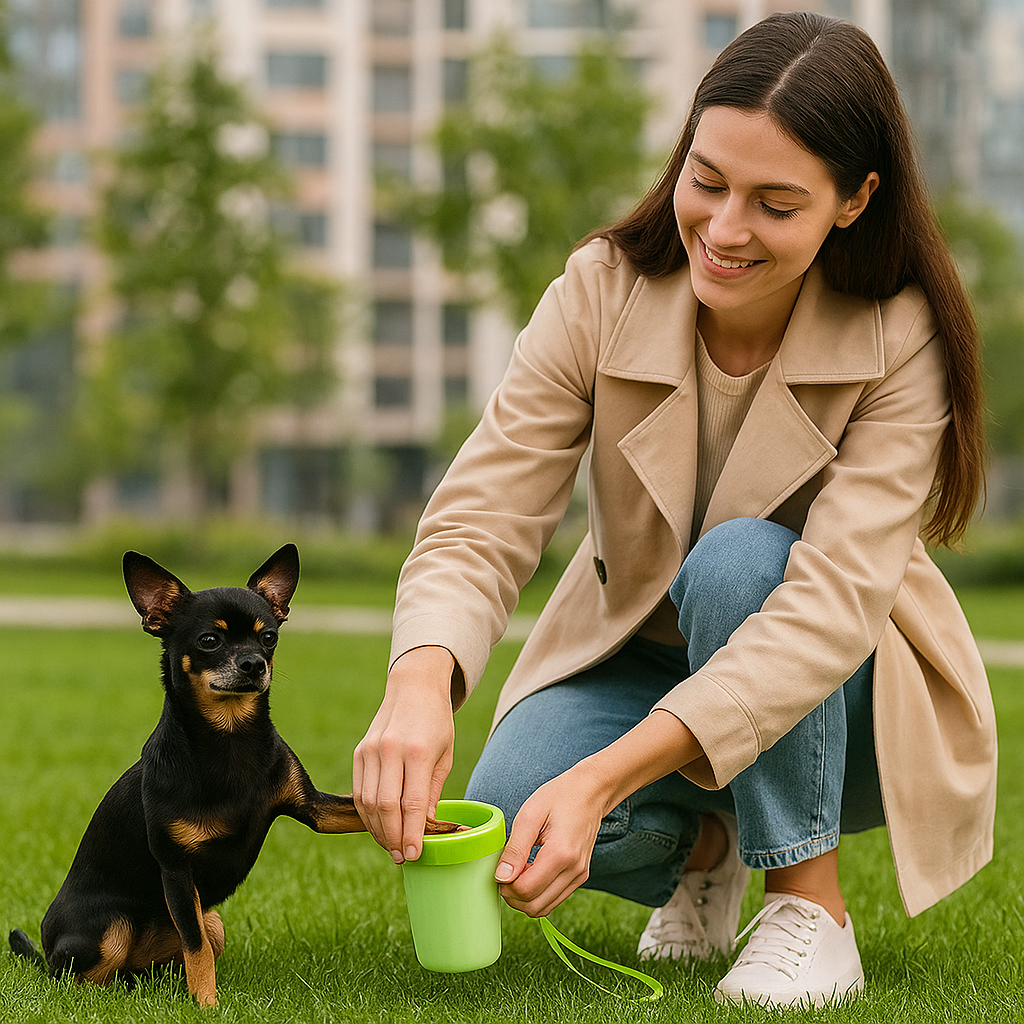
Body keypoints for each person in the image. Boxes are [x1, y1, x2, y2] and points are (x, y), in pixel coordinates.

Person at [353, 11, 997, 1008]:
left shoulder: (899, 335)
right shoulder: (599, 289)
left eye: (774, 203)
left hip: (844, 687)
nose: (724, 228)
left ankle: (808, 908)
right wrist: (418, 682)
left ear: (854, 200)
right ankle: (709, 849)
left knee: (742, 560)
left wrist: (607, 774)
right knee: (512, 811)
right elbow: (484, 511)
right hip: (638, 652)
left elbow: (826, 609)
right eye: (707, 179)